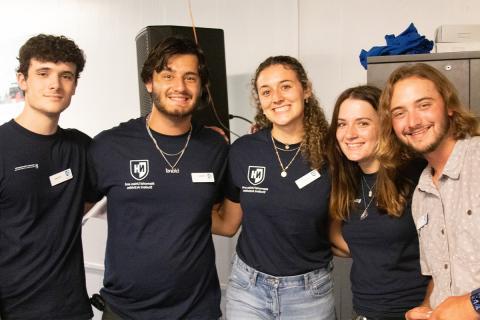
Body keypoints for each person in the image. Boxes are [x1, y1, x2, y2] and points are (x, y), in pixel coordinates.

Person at [88, 36, 228, 319]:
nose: (179, 86)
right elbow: (70, 213)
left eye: (190, 77)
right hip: (126, 311)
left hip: (196, 310)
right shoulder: (109, 146)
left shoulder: (215, 148)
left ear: (201, 87)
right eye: (168, 75)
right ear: (149, 83)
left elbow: (224, 220)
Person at [212, 56, 335, 319]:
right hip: (248, 290)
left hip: (309, 293)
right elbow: (229, 224)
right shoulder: (243, 151)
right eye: (266, 91)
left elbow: (345, 227)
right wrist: (168, 206)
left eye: (286, 86)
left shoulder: (333, 153)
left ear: (306, 89)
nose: (276, 97)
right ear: (260, 101)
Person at [0, 34, 96, 319]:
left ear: (75, 85)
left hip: (72, 308)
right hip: (14, 310)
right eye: (43, 73)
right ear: (23, 79)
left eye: (66, 75)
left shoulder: (82, 147)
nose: (55, 84)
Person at [378, 62, 480, 320]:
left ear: (449, 106)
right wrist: (427, 311)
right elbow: (438, 276)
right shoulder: (422, 194)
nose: (412, 122)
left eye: (424, 105)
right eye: (400, 113)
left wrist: (475, 305)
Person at [327, 85, 430, 320]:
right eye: (342, 124)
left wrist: (427, 307)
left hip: (416, 312)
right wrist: (373, 250)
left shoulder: (416, 174)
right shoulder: (347, 180)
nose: (349, 134)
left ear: (384, 126)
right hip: (365, 312)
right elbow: (334, 234)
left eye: (362, 123)